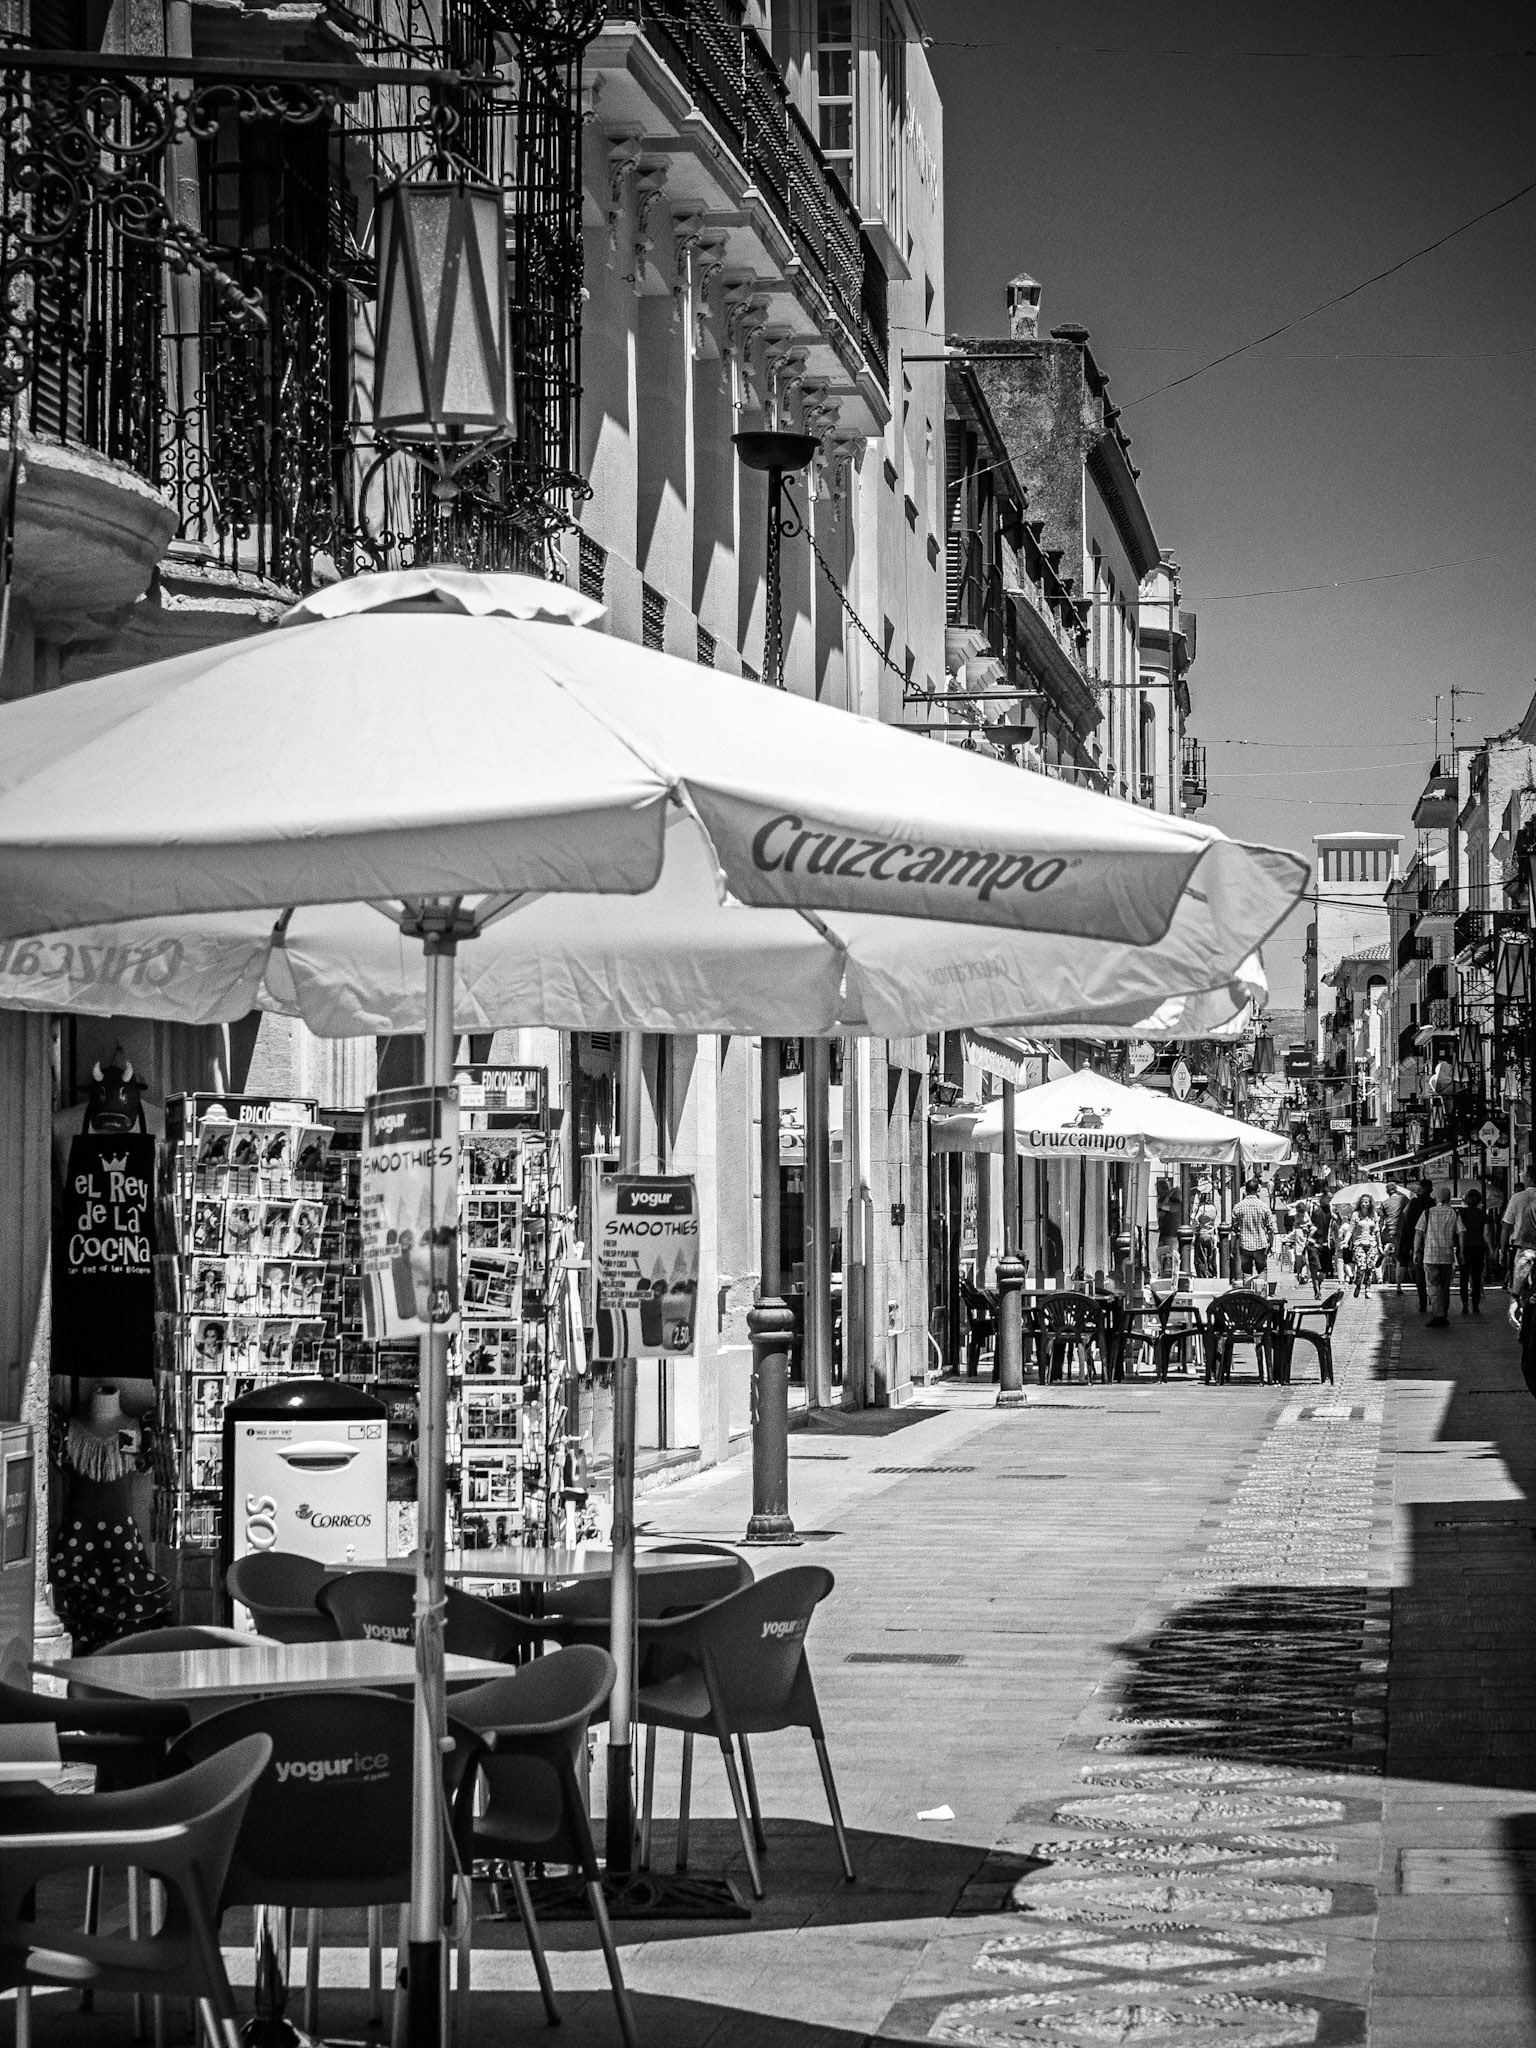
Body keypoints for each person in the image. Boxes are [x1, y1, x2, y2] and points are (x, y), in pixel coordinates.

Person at [1415, 1185, 1458, 1327]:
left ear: (1437, 1198)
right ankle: (1443, 1314)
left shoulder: (1428, 1212)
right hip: (1447, 1255)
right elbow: (1462, 1232)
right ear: (1449, 1198)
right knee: (1445, 1287)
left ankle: (1438, 1315)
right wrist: (1461, 1251)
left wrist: (1416, 1251)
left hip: (1430, 1255)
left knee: (1434, 1286)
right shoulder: (1453, 1213)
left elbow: (1419, 1232)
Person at [1500, 1170, 1536, 1322]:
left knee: (1521, 1286)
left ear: (1529, 1178)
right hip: (1525, 1247)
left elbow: (1507, 1226)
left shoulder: (1518, 1198)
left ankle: (1522, 1310)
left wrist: (1502, 1248)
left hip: (1521, 1246)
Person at [1400, 1177, 1435, 1315]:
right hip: (1431, 1243)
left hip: (1418, 1243)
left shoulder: (1414, 1203)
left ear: (1421, 1189)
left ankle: (1422, 1303)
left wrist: (1407, 1246)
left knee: (1420, 1275)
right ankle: (1433, 1299)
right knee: (1432, 1276)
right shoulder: (1433, 1204)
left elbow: (1407, 1223)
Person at [1233, 1176, 1275, 1281]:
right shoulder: (1264, 1206)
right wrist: (1271, 1244)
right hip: (1261, 1244)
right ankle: (1261, 1294)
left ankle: (1248, 1295)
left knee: (1246, 1272)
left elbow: (1234, 1230)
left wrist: (1232, 1247)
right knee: (1262, 1270)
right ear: (1257, 1190)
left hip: (1245, 1244)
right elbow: (1270, 1229)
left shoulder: (1238, 1207)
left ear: (1246, 1190)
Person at [1457, 1187, 1487, 1316]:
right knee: (1476, 1277)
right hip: (1479, 1247)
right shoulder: (1483, 1214)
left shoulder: (1461, 1213)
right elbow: (1486, 1233)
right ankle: (1475, 1305)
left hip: (1465, 1247)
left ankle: (1464, 1304)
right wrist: (1490, 1248)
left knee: (1463, 1277)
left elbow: (1458, 1231)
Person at [1349, 1195, 1382, 1298]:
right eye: (1362, 1202)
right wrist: (1346, 1241)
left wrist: (1380, 1244)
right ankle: (1358, 1284)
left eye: (1366, 1202)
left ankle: (1367, 1288)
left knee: (1370, 1267)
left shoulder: (1374, 1214)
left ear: (1370, 1203)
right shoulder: (1355, 1214)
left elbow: (1377, 1231)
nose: (1364, 1204)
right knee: (1361, 1266)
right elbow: (1350, 1229)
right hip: (1359, 1243)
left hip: (1372, 1244)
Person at [1383, 1182, 1410, 1290]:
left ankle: (1383, 1253)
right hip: (1400, 1233)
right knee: (1399, 1260)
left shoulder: (1385, 1203)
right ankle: (1398, 1286)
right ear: (1396, 1189)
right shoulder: (1404, 1199)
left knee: (1386, 1254)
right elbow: (1408, 1214)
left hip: (1387, 1232)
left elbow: (1381, 1219)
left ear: (1387, 1191)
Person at [1191, 1179, 1220, 1277]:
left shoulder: (1202, 1209)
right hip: (1211, 1234)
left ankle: (1203, 1274)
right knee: (1211, 1255)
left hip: (1202, 1233)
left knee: (1201, 1256)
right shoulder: (1213, 1208)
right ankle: (1212, 1273)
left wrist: (1196, 1223)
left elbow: (1195, 1219)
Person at [1156, 1179, 1182, 1279]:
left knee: (1171, 1256)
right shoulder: (1170, 1202)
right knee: (1165, 1255)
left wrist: (1167, 1196)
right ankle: (1166, 1274)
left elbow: (1162, 1209)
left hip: (1172, 1234)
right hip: (1166, 1233)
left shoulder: (1173, 1205)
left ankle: (1170, 1275)